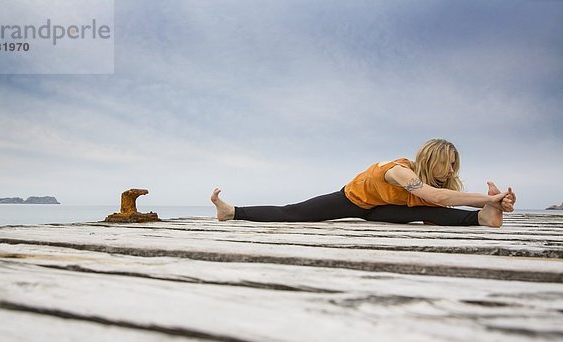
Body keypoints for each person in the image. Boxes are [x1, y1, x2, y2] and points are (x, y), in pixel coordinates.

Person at [211, 139, 516, 227]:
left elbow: (441, 200)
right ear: (430, 158)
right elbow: (434, 195)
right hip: (353, 200)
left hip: (383, 210)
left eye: (454, 165)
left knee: (431, 214)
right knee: (294, 213)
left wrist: (490, 204)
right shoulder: (399, 171)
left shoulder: (438, 180)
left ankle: (483, 219)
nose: (450, 169)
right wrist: (486, 196)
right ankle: (233, 211)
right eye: (447, 163)